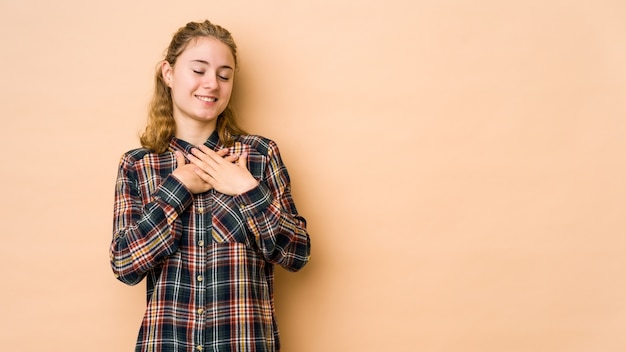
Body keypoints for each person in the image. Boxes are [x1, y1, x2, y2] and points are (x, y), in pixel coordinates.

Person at [109, 20, 311, 352]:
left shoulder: (259, 156)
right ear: (169, 73)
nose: (212, 85)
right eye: (199, 70)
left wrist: (248, 189)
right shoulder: (138, 165)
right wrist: (177, 188)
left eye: (224, 75)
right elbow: (125, 265)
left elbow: (297, 253)